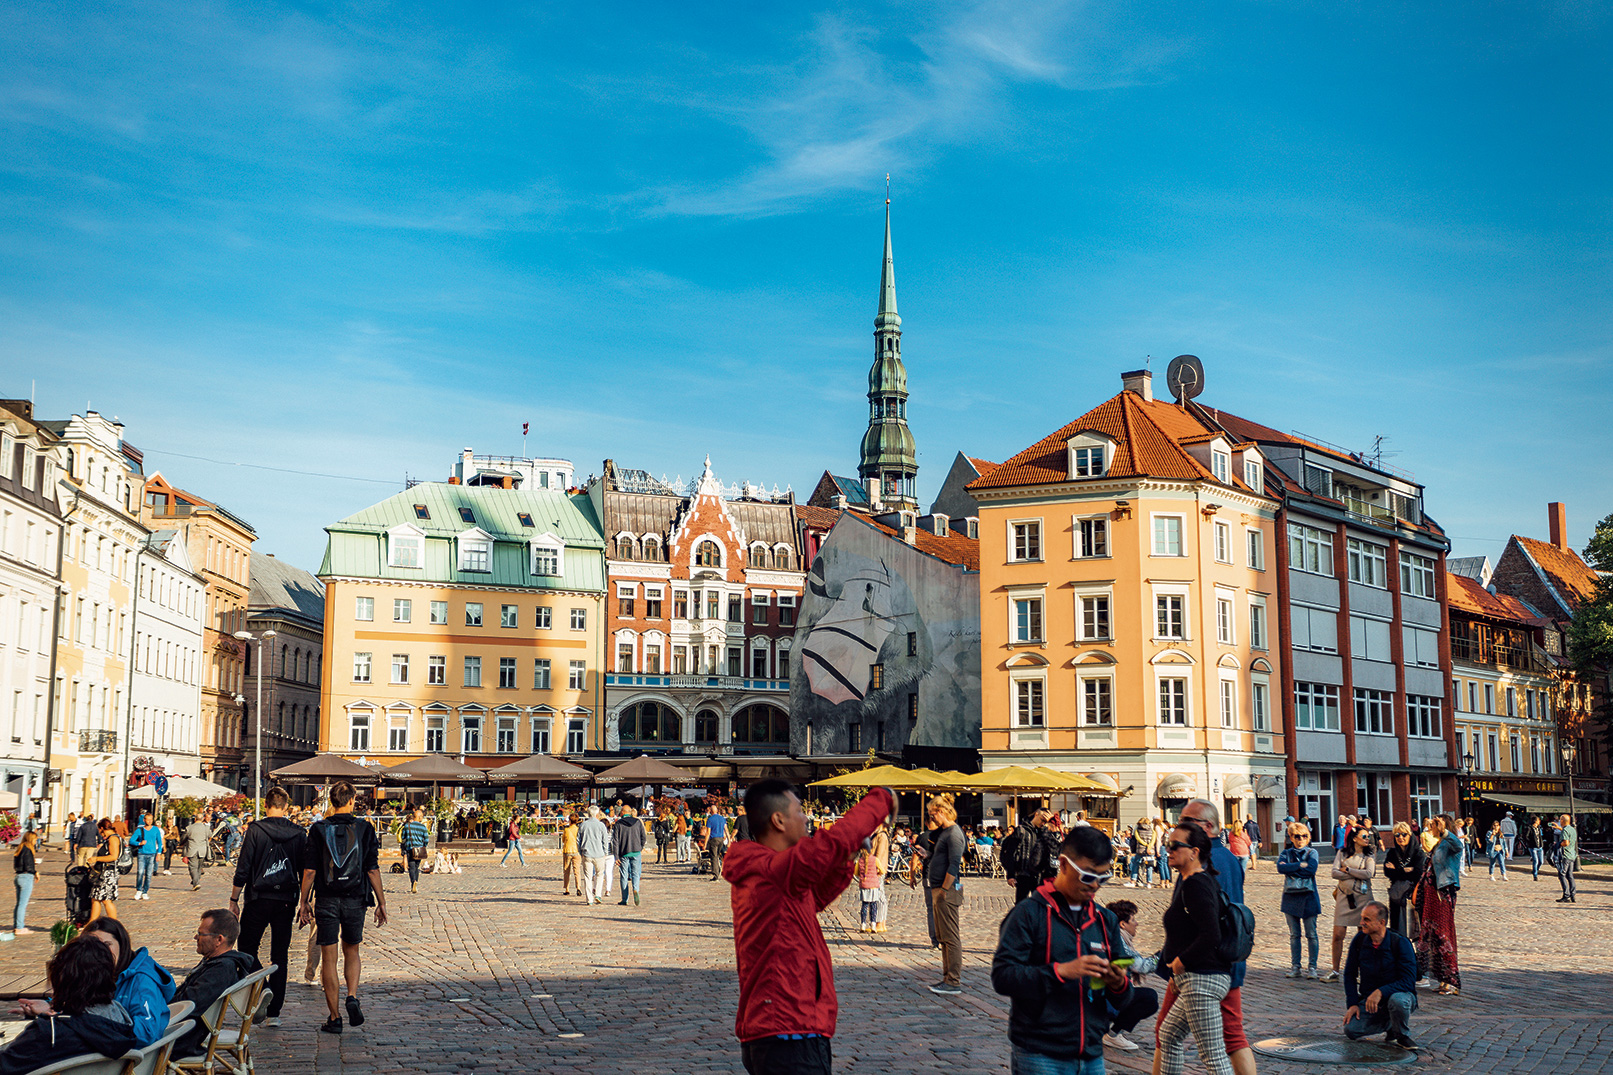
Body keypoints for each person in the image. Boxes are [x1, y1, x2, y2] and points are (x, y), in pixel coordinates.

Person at [724, 779, 894, 1075]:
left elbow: (812, 899)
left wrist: (847, 858)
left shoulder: (772, 872)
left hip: (790, 1027)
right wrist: (881, 801)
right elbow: (827, 845)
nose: (807, 818)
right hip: (787, 1030)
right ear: (778, 820)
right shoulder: (771, 871)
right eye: (800, 811)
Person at [991, 825, 1137, 1072]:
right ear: (1064, 864)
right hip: (1040, 1054)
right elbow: (1003, 977)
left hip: (1091, 1053)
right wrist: (1060, 972)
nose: (1095, 886)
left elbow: (1124, 998)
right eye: (1088, 876)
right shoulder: (1028, 914)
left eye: (1103, 878)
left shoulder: (1105, 920)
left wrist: (1117, 984)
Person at [297, 781, 386, 1034]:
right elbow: (372, 868)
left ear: (332, 801)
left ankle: (334, 1017)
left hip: (326, 899)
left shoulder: (318, 829)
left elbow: (310, 871)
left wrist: (303, 901)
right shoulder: (364, 828)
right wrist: (381, 902)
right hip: (355, 898)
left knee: (328, 957)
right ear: (352, 800)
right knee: (352, 950)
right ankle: (353, 996)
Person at [1175, 798, 1254, 1075]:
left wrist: (1180, 961)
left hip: (1201, 965)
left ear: (1207, 826)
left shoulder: (1200, 860)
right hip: (1227, 958)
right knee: (1232, 1034)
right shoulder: (1230, 858)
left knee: (1213, 1046)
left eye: (1186, 821)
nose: (1179, 827)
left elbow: (1201, 921)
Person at [1156, 822, 1233, 1075]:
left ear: (1194, 852)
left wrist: (1181, 962)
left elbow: (1211, 934)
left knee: (1213, 1055)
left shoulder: (1196, 884)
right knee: (1168, 1036)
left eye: (1175, 845)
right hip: (1196, 978)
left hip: (1202, 978)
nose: (1168, 850)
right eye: (1168, 845)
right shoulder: (1196, 880)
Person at [0, 939, 137, 1075]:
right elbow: (86, 1021)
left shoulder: (49, 1033)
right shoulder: (120, 1021)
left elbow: (6, 1064)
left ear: (61, 979)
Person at [232, 786, 306, 1029]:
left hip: (258, 897)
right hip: (286, 899)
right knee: (280, 955)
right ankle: (274, 1012)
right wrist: (305, 900)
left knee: (246, 949)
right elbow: (305, 869)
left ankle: (263, 988)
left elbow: (244, 866)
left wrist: (234, 899)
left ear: (266, 806)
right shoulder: (299, 833)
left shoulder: (255, 829)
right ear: (286, 807)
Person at [172, 909, 260, 1058]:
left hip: (181, 1038)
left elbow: (190, 1004)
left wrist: (159, 1007)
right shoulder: (215, 962)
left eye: (201, 934)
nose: (196, 937)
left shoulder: (221, 969)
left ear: (219, 940)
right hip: (180, 1030)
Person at [75, 917, 175, 1046]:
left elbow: (147, 1031)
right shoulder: (94, 973)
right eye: (93, 946)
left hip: (126, 1058)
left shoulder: (141, 980)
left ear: (122, 945)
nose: (100, 951)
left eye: (107, 944)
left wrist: (97, 1030)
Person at [1342, 902, 1419, 1050]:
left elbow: (1408, 981)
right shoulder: (1359, 940)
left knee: (1398, 1001)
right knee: (1351, 1030)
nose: (1361, 923)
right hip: (1370, 1001)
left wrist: (1381, 992)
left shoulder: (1400, 942)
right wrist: (1352, 1003)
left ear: (1381, 922)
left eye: (1367, 920)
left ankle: (1401, 1035)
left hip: (1399, 996)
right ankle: (1390, 1024)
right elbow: (1349, 973)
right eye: (1362, 918)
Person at [1103, 898, 1162, 1051]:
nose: (1136, 923)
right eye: (1133, 920)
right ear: (1122, 924)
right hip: (1105, 996)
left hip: (1103, 993)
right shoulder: (1118, 941)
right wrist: (1163, 954)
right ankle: (1113, 1034)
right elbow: (1142, 966)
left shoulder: (1113, 936)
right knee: (1149, 998)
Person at [1414, 815, 1463, 996]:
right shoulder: (1437, 844)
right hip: (1430, 895)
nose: (1431, 827)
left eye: (1434, 824)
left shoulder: (1450, 842)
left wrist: (1445, 831)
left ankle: (1453, 981)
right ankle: (1442, 979)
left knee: (1444, 934)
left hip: (1442, 894)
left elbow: (1459, 846)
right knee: (1433, 936)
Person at [1323, 825, 1376, 983]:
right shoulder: (1342, 852)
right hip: (1344, 897)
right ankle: (1335, 970)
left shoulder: (1369, 854)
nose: (1367, 839)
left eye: (1368, 836)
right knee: (1338, 934)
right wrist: (1353, 873)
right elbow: (1334, 872)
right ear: (1354, 838)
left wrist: (1347, 871)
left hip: (1362, 898)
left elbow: (1369, 873)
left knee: (1362, 934)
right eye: (1364, 836)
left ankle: (1361, 970)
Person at [925, 794, 966, 995]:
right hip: (939, 889)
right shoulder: (944, 833)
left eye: (933, 815)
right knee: (943, 936)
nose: (932, 819)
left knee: (950, 936)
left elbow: (954, 864)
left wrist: (944, 890)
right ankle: (947, 977)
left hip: (947, 891)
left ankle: (953, 981)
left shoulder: (954, 833)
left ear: (941, 812)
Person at [1276, 821, 1321, 979]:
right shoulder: (1286, 853)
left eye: (1304, 836)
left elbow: (1311, 870)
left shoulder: (1312, 853)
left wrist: (1293, 869)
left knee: (1311, 934)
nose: (1300, 839)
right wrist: (1299, 865)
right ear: (1291, 837)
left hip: (1309, 897)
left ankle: (1312, 967)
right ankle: (1296, 966)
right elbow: (1280, 868)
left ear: (1308, 837)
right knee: (1294, 935)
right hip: (1290, 898)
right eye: (1297, 836)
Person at [1382, 823, 1424, 938]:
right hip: (1397, 895)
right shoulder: (1392, 853)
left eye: (1404, 834)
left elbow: (1417, 874)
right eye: (1397, 835)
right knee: (1397, 928)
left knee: (1413, 929)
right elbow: (1388, 872)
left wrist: (1397, 870)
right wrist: (1405, 871)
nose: (1401, 837)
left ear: (1410, 835)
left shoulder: (1418, 853)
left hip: (1413, 895)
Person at [87, 819, 122, 922]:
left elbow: (113, 856)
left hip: (108, 873)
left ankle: (114, 924)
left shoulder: (113, 838)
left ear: (102, 828)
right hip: (103, 872)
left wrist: (96, 859)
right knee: (96, 898)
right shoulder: (111, 838)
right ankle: (91, 922)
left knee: (106, 900)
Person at [613, 804, 647, 906]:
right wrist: (640, 847)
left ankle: (624, 899)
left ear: (622, 812)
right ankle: (635, 889)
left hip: (624, 852)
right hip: (636, 851)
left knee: (624, 875)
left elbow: (615, 841)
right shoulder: (637, 822)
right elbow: (643, 836)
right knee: (636, 873)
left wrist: (616, 856)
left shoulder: (618, 824)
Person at [578, 805, 610, 905]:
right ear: (597, 814)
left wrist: (581, 852)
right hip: (599, 854)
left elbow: (578, 840)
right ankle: (598, 894)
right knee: (600, 874)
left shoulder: (583, 825)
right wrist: (605, 852)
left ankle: (589, 899)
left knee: (588, 877)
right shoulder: (601, 825)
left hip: (587, 854)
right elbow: (605, 840)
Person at [128, 812, 162, 902]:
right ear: (144, 820)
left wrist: (159, 853)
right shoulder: (140, 830)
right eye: (148, 819)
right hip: (142, 853)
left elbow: (159, 842)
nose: (149, 821)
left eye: (151, 819)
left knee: (149, 874)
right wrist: (139, 843)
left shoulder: (155, 829)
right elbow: (131, 840)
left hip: (152, 854)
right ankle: (139, 890)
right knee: (140, 872)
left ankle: (145, 891)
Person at [10, 831, 37, 936]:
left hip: (18, 876)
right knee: (23, 904)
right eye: (35, 839)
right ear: (31, 839)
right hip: (26, 877)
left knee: (19, 904)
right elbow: (28, 866)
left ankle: (16, 925)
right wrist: (35, 872)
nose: (36, 841)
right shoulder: (28, 850)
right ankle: (20, 928)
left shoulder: (20, 849)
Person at [399, 807, 431, 894]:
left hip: (410, 848)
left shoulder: (407, 826)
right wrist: (423, 846)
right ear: (420, 817)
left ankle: (413, 882)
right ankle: (416, 881)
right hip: (419, 849)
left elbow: (403, 837)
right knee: (416, 867)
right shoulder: (423, 827)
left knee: (411, 867)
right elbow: (426, 839)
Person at [855, 839, 883, 932]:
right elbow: (882, 870)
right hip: (874, 885)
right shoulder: (875, 860)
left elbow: (856, 872)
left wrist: (862, 876)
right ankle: (873, 924)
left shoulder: (860, 860)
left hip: (864, 885)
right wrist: (877, 873)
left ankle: (863, 924)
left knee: (864, 905)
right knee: (874, 905)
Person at [869, 823, 891, 933]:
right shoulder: (877, 835)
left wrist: (876, 868)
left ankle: (880, 924)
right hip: (875, 868)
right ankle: (880, 923)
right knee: (878, 895)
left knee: (879, 896)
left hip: (878, 869)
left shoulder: (882, 836)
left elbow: (879, 854)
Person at [184, 812, 212, 890]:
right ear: (203, 819)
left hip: (192, 849)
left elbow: (184, 837)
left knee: (193, 867)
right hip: (202, 850)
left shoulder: (189, 828)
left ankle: (196, 883)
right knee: (199, 867)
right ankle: (196, 880)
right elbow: (210, 835)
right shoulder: (206, 828)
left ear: (195, 819)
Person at [1555, 813, 1578, 903]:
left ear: (1562, 821)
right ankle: (1573, 894)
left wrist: (1557, 844)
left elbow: (1566, 843)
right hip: (1572, 855)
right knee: (1570, 875)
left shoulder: (1565, 830)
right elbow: (1567, 833)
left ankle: (1566, 895)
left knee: (1562, 874)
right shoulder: (1572, 829)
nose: (1559, 821)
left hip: (1566, 855)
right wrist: (1559, 828)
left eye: (1560, 820)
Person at [705, 805, 729, 881]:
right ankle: (718, 870)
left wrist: (705, 844)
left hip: (714, 839)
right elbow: (726, 830)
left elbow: (708, 832)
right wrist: (729, 840)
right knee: (717, 855)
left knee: (714, 857)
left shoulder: (710, 819)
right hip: (721, 839)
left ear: (711, 811)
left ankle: (716, 874)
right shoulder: (722, 819)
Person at [560, 814, 582, 896]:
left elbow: (563, 840)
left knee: (566, 871)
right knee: (577, 871)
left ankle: (567, 888)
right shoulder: (578, 830)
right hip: (577, 851)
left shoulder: (566, 830)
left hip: (567, 850)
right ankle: (578, 887)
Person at [1520, 816, 1544, 881]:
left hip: (1540, 846)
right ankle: (1535, 875)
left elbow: (1540, 836)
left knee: (1541, 861)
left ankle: (1535, 870)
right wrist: (1530, 843)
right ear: (1536, 821)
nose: (1539, 822)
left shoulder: (1539, 828)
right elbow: (1526, 836)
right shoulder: (1529, 828)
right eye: (1538, 820)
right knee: (1535, 860)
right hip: (1533, 847)